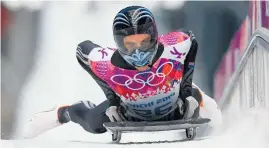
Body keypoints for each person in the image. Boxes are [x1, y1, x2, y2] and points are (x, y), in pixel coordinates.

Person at [23, 6, 222, 138]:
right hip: (128, 111)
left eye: (144, 42)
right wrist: (112, 101)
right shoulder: (105, 61)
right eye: (130, 44)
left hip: (174, 103)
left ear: (154, 36)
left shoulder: (175, 45)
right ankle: (62, 113)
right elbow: (82, 49)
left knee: (196, 105)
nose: (138, 51)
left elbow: (191, 39)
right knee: (94, 123)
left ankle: (199, 97)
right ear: (119, 43)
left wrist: (186, 91)